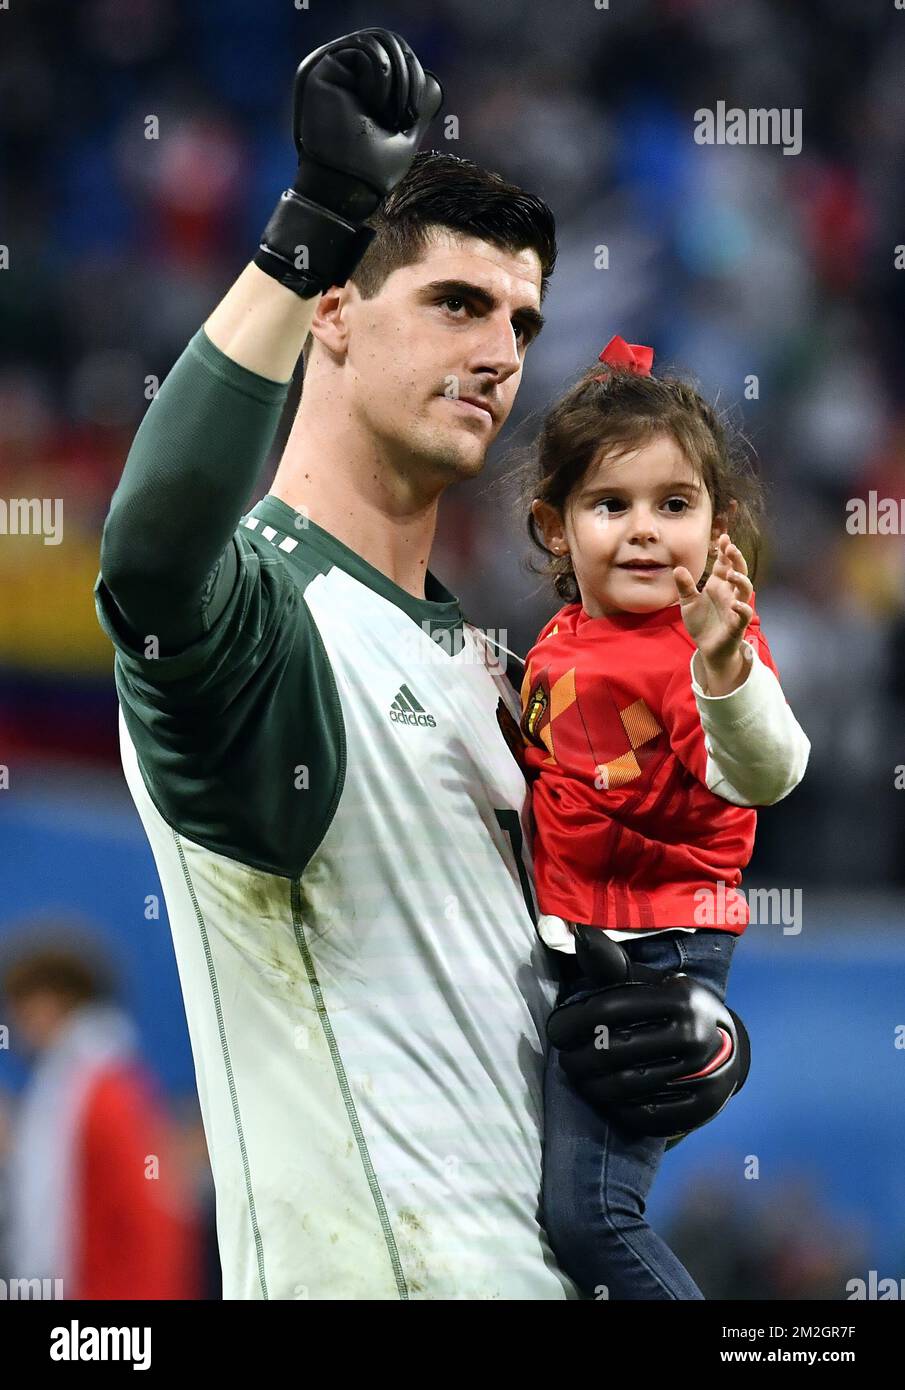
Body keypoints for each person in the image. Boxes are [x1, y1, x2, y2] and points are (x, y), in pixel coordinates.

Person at [93, 31, 749, 1299]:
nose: (501, 350)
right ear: (333, 312)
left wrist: (688, 1040)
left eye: (521, 320)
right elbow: (151, 560)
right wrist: (312, 224)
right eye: (455, 303)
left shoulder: (500, 677)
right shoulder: (265, 623)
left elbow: (598, 983)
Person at [520, 334, 811, 1298]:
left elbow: (767, 771)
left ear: (718, 526)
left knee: (593, 1213)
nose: (644, 530)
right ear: (554, 526)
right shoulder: (563, 638)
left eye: (673, 504)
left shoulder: (706, 646)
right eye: (611, 504)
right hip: (582, 937)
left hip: (657, 948)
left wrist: (726, 665)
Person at [0, 935, 199, 1299]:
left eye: (24, 1010)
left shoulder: (102, 1092)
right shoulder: (74, 1087)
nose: (16, 1024)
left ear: (55, 1001)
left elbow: (147, 1215)